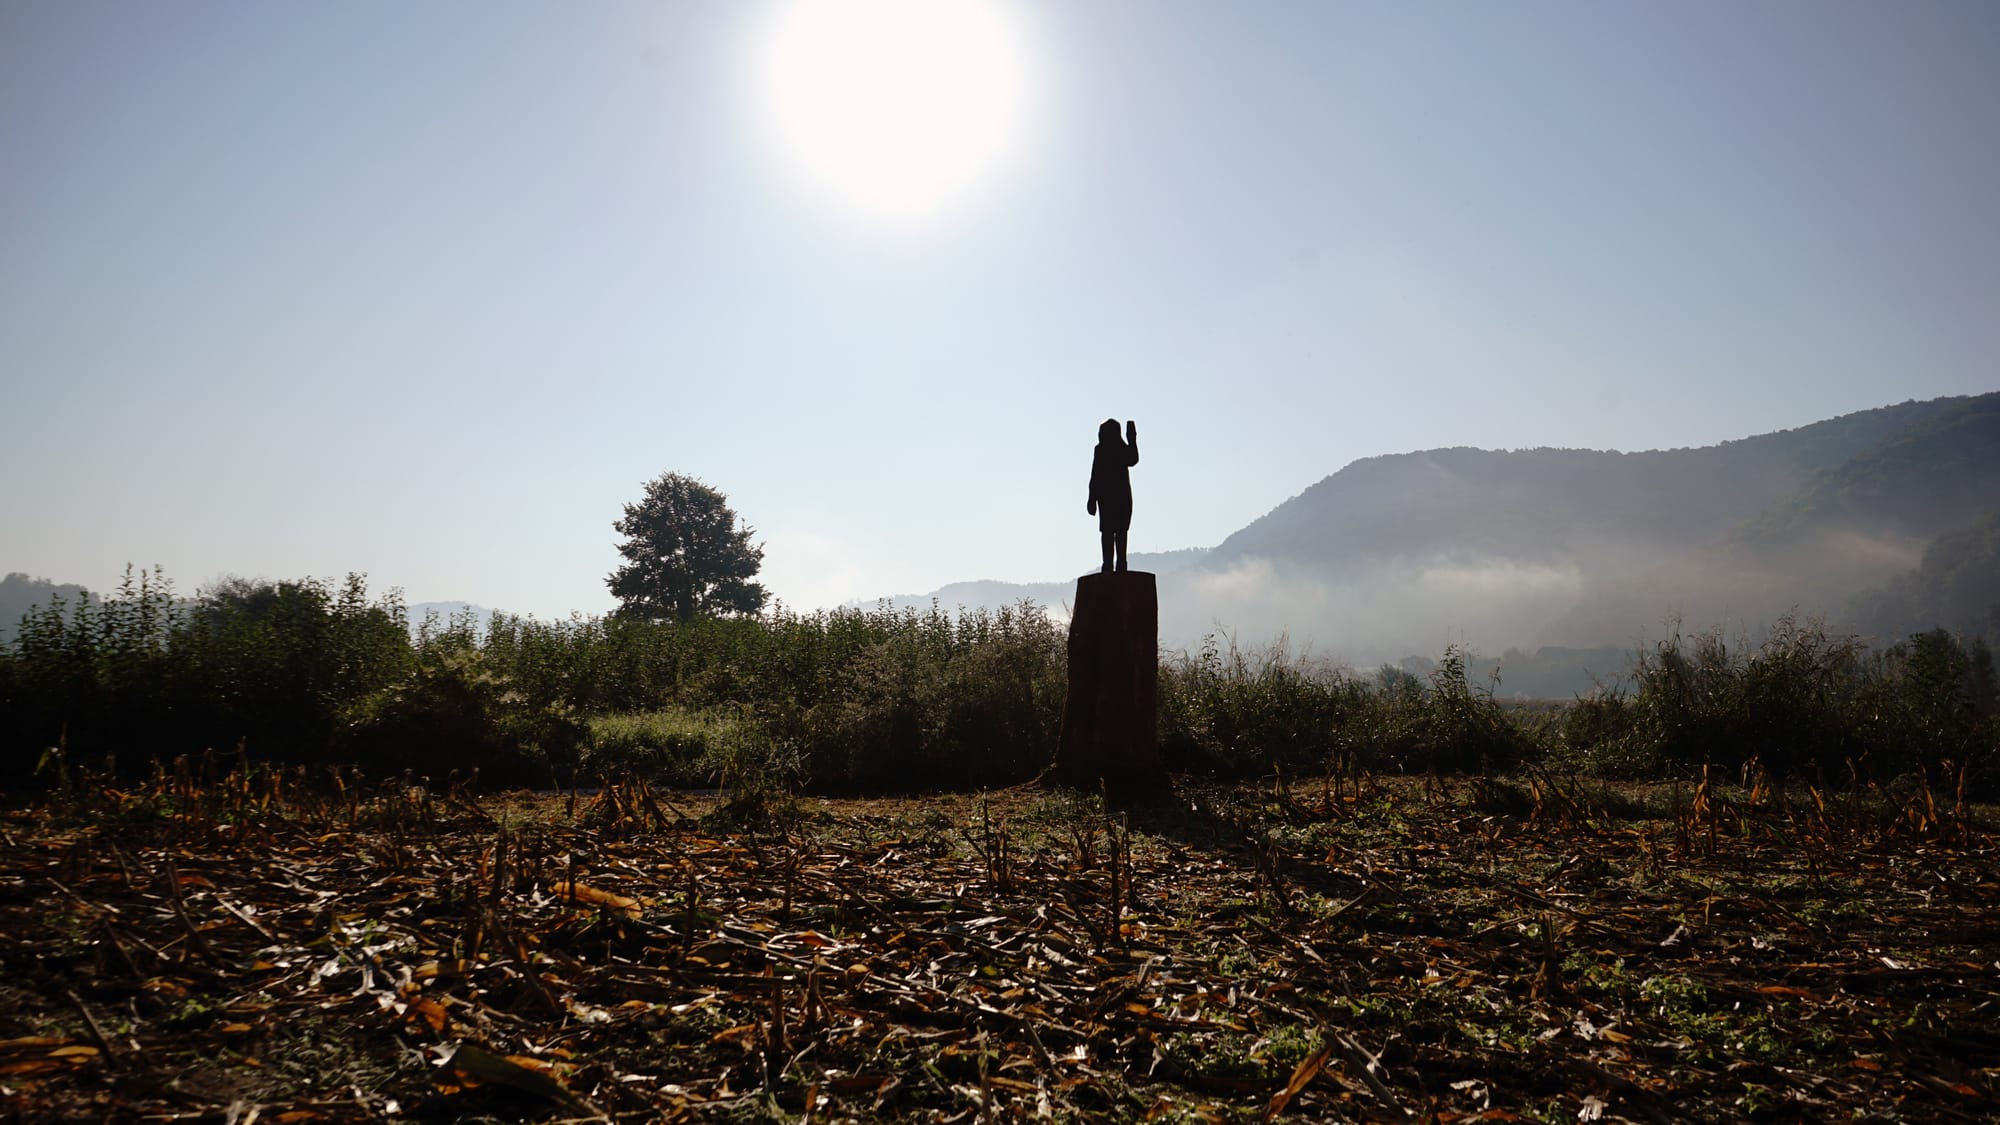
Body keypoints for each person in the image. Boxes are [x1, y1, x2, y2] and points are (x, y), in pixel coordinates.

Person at [1087, 418, 1139, 573]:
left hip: (1118, 496)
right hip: (1111, 497)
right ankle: (1110, 564)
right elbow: (1095, 475)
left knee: (1119, 531)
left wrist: (1132, 438)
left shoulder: (1116, 448)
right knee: (1109, 532)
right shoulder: (1102, 450)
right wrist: (1092, 498)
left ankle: (1119, 564)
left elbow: (1133, 459)